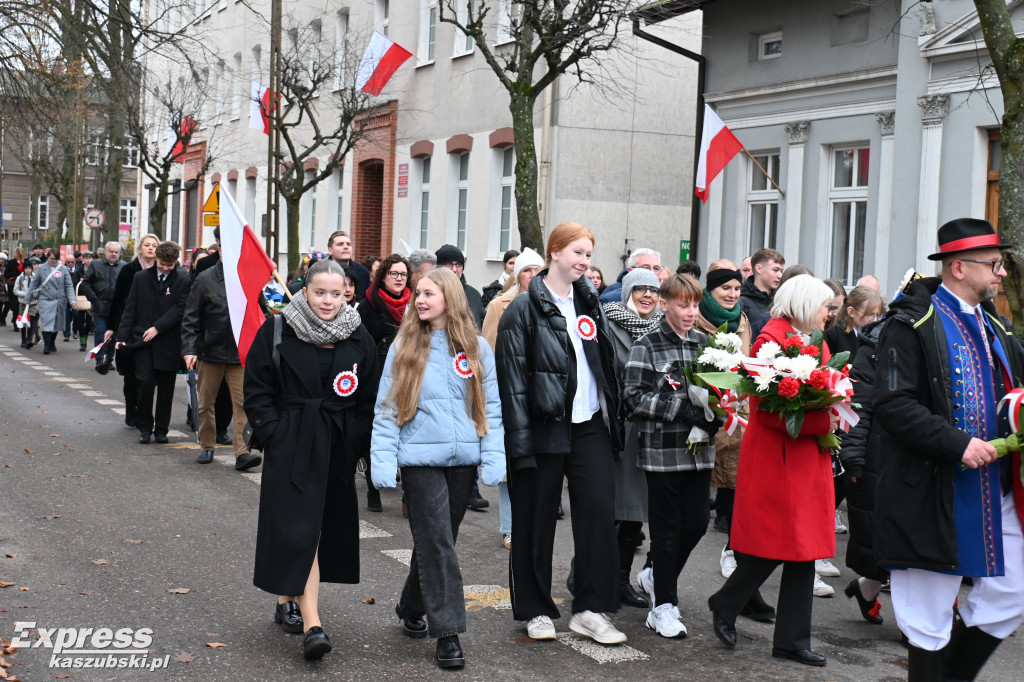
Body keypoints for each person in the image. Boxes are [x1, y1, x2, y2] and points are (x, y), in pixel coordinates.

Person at [873, 218, 1024, 680]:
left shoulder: (994, 324)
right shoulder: (911, 323)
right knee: (927, 615)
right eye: (994, 265)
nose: (1001, 273)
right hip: (930, 490)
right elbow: (893, 405)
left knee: (1012, 590)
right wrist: (958, 443)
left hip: (994, 487)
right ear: (959, 267)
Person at [496, 221, 627, 646]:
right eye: (577, 253)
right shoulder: (523, 308)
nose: (585, 262)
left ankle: (590, 609)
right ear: (554, 253)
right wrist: (518, 444)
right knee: (535, 520)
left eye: (589, 255)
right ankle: (535, 609)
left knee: (598, 516)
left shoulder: (591, 304)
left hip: (589, 425)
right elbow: (512, 383)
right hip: (542, 427)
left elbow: (604, 367)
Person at [243, 259, 379, 661]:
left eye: (336, 294)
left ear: (347, 293)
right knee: (301, 529)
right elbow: (257, 387)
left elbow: (369, 393)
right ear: (305, 290)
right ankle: (313, 623)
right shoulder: (279, 327)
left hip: (337, 445)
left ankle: (287, 597)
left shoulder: (357, 332)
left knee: (316, 528)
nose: (328, 301)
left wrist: (355, 437)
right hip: (293, 444)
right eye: (320, 292)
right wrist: (275, 433)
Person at [371, 268, 505, 669]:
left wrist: (493, 456)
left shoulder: (478, 348)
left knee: (436, 541)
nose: (420, 300)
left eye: (429, 293)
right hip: (419, 461)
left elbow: (493, 410)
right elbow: (386, 409)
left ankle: (411, 605)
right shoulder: (404, 347)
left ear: (450, 297)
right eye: (417, 294)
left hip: (463, 461)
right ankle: (447, 632)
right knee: (439, 544)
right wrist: (382, 459)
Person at [708, 274, 839, 668]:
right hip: (779, 455)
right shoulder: (771, 341)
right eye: (825, 306)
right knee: (782, 544)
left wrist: (836, 410)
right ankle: (729, 602)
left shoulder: (809, 338)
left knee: (805, 549)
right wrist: (825, 423)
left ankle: (790, 639)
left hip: (803, 455)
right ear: (804, 304)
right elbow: (771, 411)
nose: (829, 314)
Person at [622, 273, 721, 638]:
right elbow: (632, 397)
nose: (691, 312)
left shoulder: (706, 343)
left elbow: (719, 391)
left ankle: (653, 575)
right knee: (665, 532)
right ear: (665, 304)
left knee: (695, 524)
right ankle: (663, 606)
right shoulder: (646, 345)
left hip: (698, 452)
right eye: (683, 304)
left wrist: (717, 414)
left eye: (695, 304)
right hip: (663, 452)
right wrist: (679, 410)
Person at [602, 267, 663, 610]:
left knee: (634, 514)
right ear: (627, 292)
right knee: (610, 511)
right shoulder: (607, 325)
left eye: (653, 291)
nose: (647, 296)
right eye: (640, 289)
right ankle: (589, 574)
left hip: (649, 431)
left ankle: (621, 580)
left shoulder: (661, 329)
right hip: (617, 429)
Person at [481, 247, 545, 550]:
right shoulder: (499, 305)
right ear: (516, 274)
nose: (532, 276)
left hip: (544, 395)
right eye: (526, 270)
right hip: (510, 393)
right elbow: (488, 354)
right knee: (511, 463)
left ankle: (532, 524)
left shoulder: (553, 304)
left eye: (537, 270)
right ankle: (509, 527)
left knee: (539, 461)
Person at [182, 255, 263, 470]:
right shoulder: (204, 279)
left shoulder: (250, 278)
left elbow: (260, 314)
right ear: (219, 249)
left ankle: (243, 453)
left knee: (243, 404)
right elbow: (191, 317)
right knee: (205, 403)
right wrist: (190, 349)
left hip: (240, 355)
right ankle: (207, 445)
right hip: (210, 353)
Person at [116, 241, 190, 445]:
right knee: (146, 383)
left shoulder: (183, 280)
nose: (166, 268)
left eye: (170, 265)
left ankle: (162, 429)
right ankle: (144, 426)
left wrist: (158, 327)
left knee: (166, 389)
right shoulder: (140, 278)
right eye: (162, 264)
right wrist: (121, 337)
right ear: (156, 258)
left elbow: (180, 308)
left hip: (168, 341)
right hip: (142, 341)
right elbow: (130, 308)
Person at [358, 253, 411, 512]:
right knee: (376, 431)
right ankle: (372, 488)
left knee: (409, 431)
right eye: (394, 274)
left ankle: (407, 497)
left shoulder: (415, 303)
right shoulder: (369, 303)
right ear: (383, 276)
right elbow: (363, 344)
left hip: (410, 373)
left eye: (403, 274)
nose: (399, 279)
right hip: (378, 373)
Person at [81, 241, 126, 369]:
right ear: (105, 252)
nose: (113, 254)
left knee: (113, 336)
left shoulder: (124, 266)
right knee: (101, 333)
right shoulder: (96, 265)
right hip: (100, 307)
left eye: (116, 252)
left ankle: (109, 359)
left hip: (116, 309)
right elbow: (86, 284)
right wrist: (95, 299)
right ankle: (100, 360)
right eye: (111, 251)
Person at [25, 250, 76, 355]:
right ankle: (47, 346)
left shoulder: (63, 269)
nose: (54, 261)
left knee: (56, 323)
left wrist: (72, 300)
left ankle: (52, 342)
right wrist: (28, 298)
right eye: (52, 258)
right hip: (45, 298)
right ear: (48, 257)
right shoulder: (42, 268)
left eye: (56, 259)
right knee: (46, 321)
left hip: (59, 300)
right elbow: (34, 284)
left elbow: (68, 285)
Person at [824, 285, 883, 363]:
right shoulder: (832, 336)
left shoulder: (878, 336)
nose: (875, 320)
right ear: (851, 312)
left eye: (878, 315)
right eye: (869, 314)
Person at [435, 244, 485, 327]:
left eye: (458, 265)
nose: (454, 269)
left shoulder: (474, 294)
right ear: (438, 267)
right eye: (449, 264)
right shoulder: (430, 293)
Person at [600, 248, 664, 304]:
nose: (652, 273)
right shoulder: (609, 300)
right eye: (646, 268)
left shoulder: (664, 301)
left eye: (656, 268)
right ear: (631, 271)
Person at [739, 248, 785, 324]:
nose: (780, 275)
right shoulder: (741, 303)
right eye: (775, 270)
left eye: (781, 271)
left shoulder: (781, 302)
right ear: (759, 269)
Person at [328, 231, 371, 300]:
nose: (345, 247)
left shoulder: (363, 272)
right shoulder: (318, 271)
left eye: (348, 244)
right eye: (340, 244)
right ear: (330, 250)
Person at [14, 259, 39, 348]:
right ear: (23, 269)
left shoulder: (35, 277)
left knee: (31, 320)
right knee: (23, 322)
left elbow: (39, 288)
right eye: (26, 268)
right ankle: (23, 339)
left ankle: (29, 339)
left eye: (29, 268)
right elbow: (16, 291)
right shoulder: (20, 278)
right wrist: (26, 294)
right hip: (23, 303)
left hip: (33, 303)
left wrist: (34, 294)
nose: (28, 270)